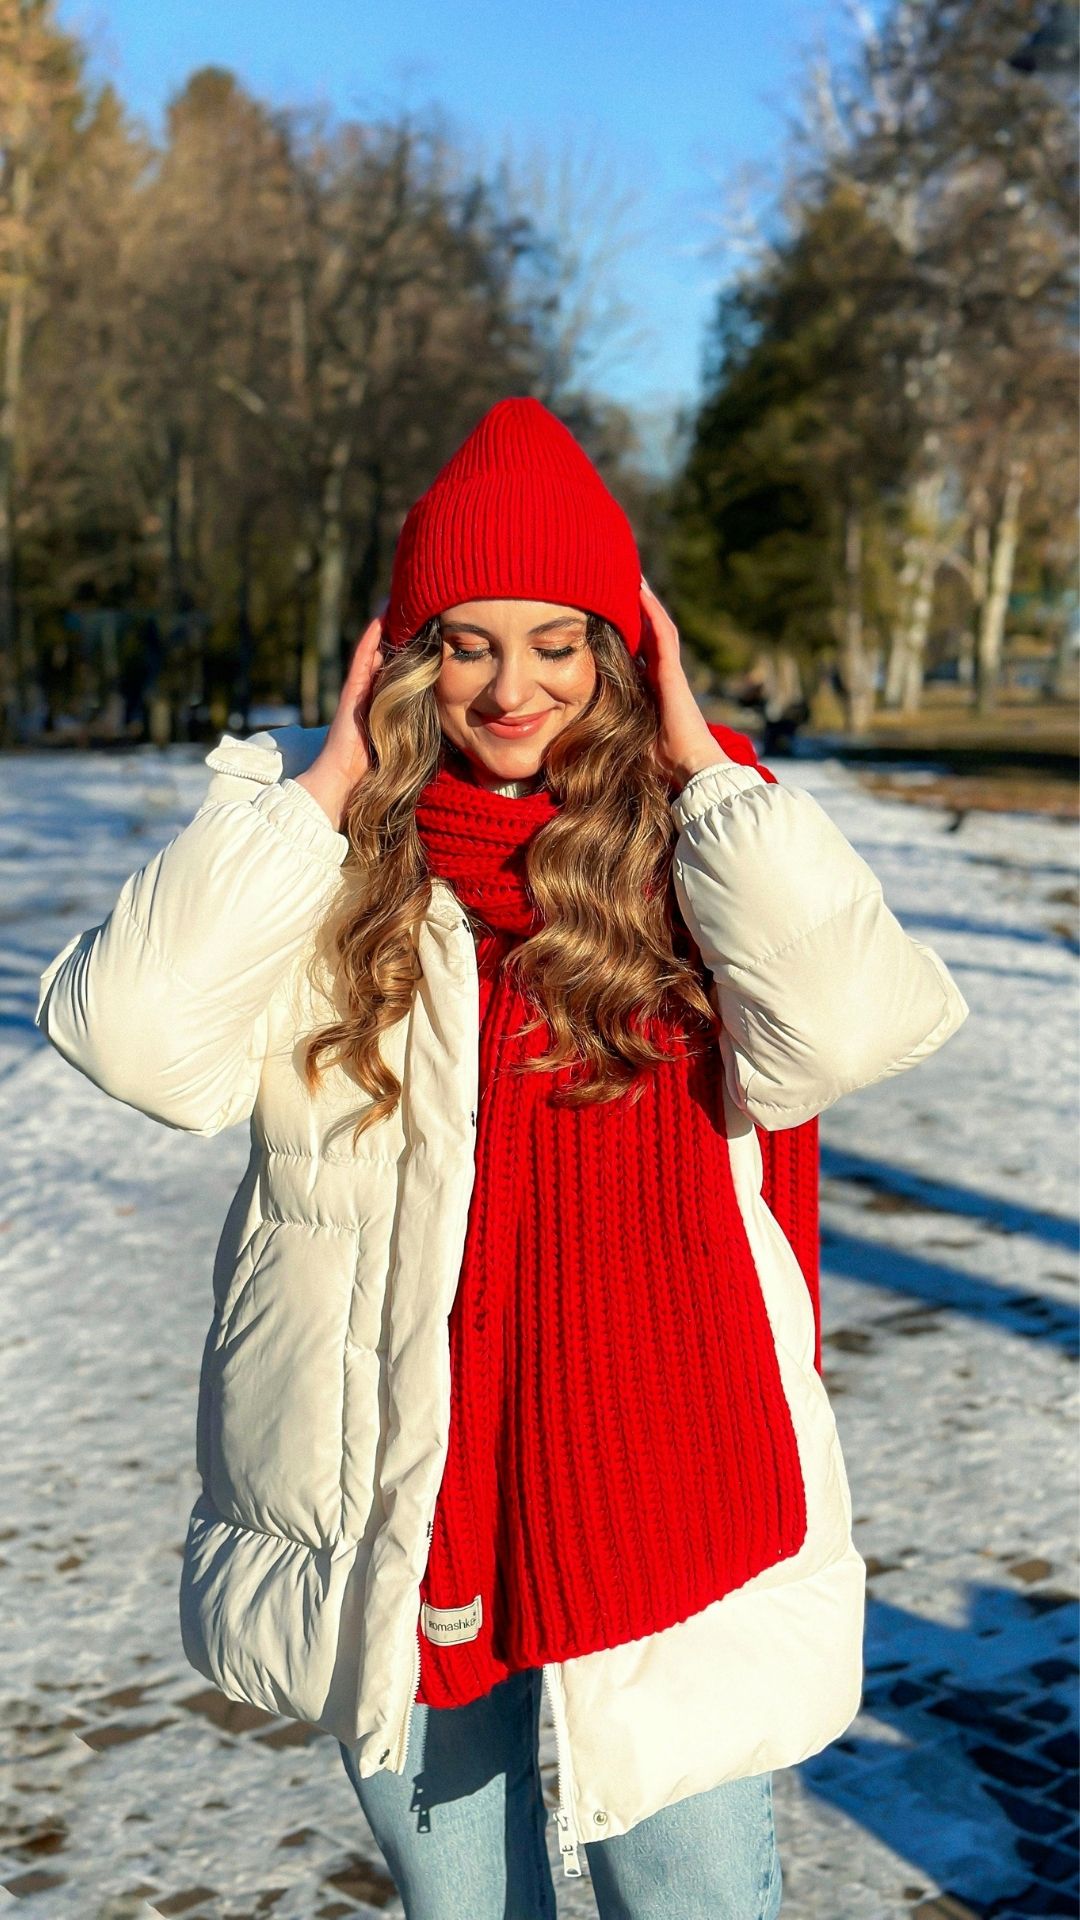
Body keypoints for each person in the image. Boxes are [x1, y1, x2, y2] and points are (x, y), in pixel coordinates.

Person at [36, 398, 970, 1920]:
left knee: (695, 1907)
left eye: (558, 639)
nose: (513, 684)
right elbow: (136, 1043)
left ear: (621, 646)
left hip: (661, 1474)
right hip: (401, 1488)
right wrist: (320, 790)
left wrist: (708, 765)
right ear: (408, 653)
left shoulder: (698, 848)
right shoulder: (333, 868)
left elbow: (855, 1028)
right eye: (468, 640)